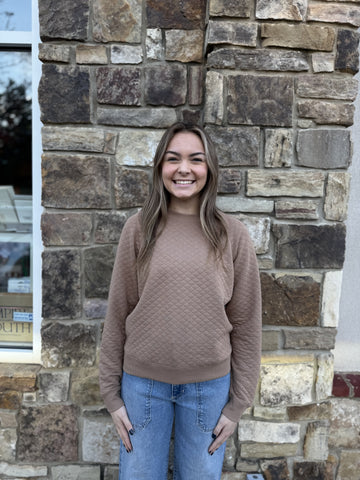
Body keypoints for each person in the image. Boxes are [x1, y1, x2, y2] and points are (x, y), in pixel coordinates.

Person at [99, 122, 262, 480]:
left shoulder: (231, 235)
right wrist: (112, 397)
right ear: (160, 167)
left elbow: (248, 325)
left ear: (210, 169)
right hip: (142, 387)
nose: (184, 169)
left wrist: (237, 406)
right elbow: (118, 312)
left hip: (209, 390)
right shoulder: (138, 229)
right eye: (173, 159)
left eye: (196, 159)